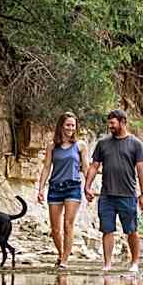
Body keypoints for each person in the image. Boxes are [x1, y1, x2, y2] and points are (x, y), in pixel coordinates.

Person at [84, 109, 143, 272]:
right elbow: (94, 166)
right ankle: (107, 264)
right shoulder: (103, 144)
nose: (110, 126)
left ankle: (134, 263)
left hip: (127, 195)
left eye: (113, 123)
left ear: (122, 122)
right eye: (109, 123)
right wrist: (87, 186)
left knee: (131, 230)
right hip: (107, 195)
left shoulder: (136, 144)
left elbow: (141, 170)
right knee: (107, 229)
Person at [37, 112, 89, 269]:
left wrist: (88, 187)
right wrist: (40, 188)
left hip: (73, 187)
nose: (71, 128)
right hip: (55, 188)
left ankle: (65, 260)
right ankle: (61, 254)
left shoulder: (80, 146)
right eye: (68, 125)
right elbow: (46, 167)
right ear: (61, 126)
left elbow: (86, 167)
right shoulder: (52, 146)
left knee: (68, 224)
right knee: (55, 228)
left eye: (73, 125)